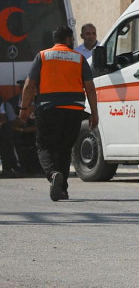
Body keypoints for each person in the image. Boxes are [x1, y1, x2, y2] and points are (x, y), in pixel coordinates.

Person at [19, 25, 99, 202]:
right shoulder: (78, 58)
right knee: (64, 149)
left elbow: (29, 85)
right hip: (74, 110)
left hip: (48, 109)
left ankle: (53, 174)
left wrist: (24, 108)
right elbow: (90, 88)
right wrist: (94, 113)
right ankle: (62, 190)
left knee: (44, 146)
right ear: (69, 39)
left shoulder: (43, 56)